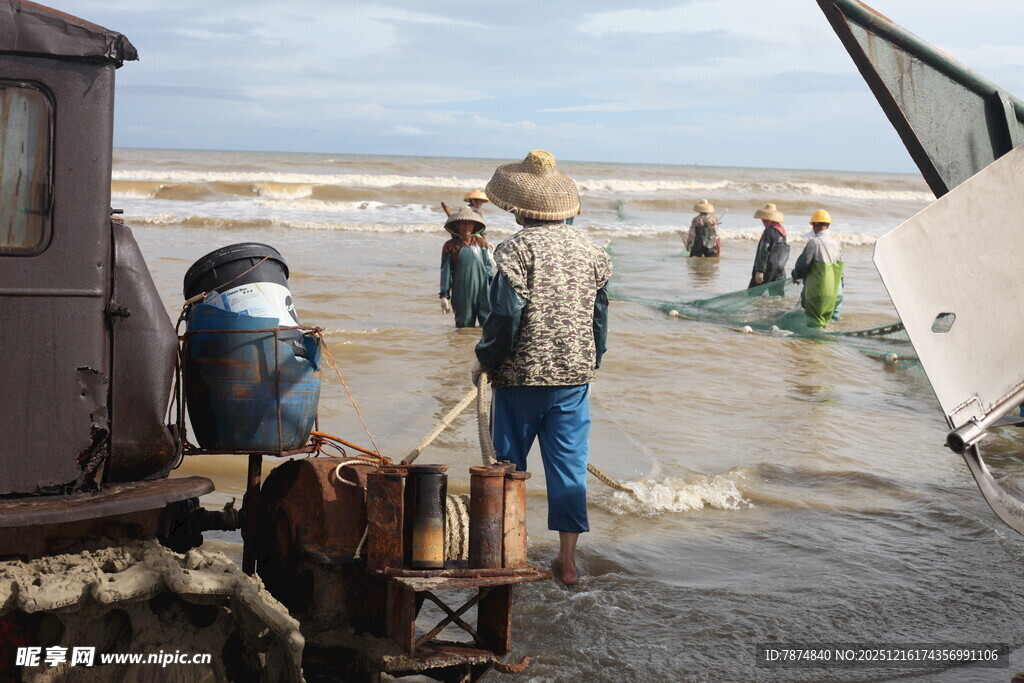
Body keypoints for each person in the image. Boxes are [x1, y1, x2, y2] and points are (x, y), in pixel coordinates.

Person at [472, 150, 611, 586]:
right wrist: (591, 361)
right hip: (573, 379)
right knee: (569, 470)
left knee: (508, 467)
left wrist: (483, 359)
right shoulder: (592, 251)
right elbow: (599, 319)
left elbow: (505, 316)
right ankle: (567, 563)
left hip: (519, 379)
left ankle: (508, 553)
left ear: (517, 212)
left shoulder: (514, 249)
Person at [439, 207, 493, 328]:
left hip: (483, 292)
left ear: (474, 226)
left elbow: (488, 268)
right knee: (464, 328)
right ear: (457, 225)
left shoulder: (481, 243)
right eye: (463, 223)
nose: (466, 227)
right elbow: (445, 272)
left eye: (469, 224)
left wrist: (495, 289)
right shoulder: (450, 246)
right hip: (462, 294)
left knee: (488, 326)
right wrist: (444, 295)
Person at [791, 209, 844, 328]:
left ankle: (815, 345)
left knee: (814, 326)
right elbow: (840, 269)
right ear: (828, 225)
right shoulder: (837, 244)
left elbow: (802, 265)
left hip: (818, 292)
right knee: (828, 325)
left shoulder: (814, 243)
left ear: (814, 225)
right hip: (834, 292)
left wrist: (795, 275)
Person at [748, 203, 790, 288]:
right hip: (780, 271)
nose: (762, 221)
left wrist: (760, 271)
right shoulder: (782, 232)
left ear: (766, 219)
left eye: (762, 219)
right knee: (776, 296)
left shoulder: (768, 232)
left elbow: (764, 251)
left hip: (767, 271)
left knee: (753, 294)